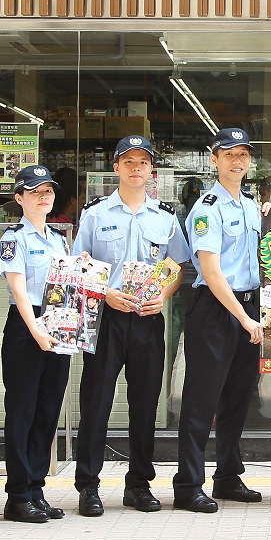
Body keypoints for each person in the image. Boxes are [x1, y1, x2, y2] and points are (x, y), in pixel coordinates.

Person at [71, 136, 190, 517]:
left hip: (147, 320)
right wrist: (104, 292)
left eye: (142, 162)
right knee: (96, 403)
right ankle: (88, 485)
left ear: (151, 170)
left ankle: (138, 484)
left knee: (144, 404)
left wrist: (164, 295)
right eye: (128, 162)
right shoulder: (95, 214)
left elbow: (177, 266)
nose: (136, 168)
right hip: (106, 318)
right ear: (116, 168)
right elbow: (79, 266)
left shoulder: (165, 217)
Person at [173, 128, 271, 513]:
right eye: (229, 154)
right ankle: (188, 485)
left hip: (249, 307)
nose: (237, 161)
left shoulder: (250, 206)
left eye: (243, 155)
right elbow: (212, 272)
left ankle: (228, 476)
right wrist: (244, 319)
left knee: (238, 398)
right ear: (214, 159)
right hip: (216, 311)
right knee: (202, 400)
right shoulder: (207, 209)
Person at [0, 166, 70, 523]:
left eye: (48, 191)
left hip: (58, 324)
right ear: (19, 198)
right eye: (35, 192)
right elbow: (19, 290)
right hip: (27, 326)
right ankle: (17, 494)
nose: (43, 197)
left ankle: (36, 489)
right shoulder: (14, 238)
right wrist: (37, 330)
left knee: (47, 410)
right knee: (22, 411)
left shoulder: (59, 239)